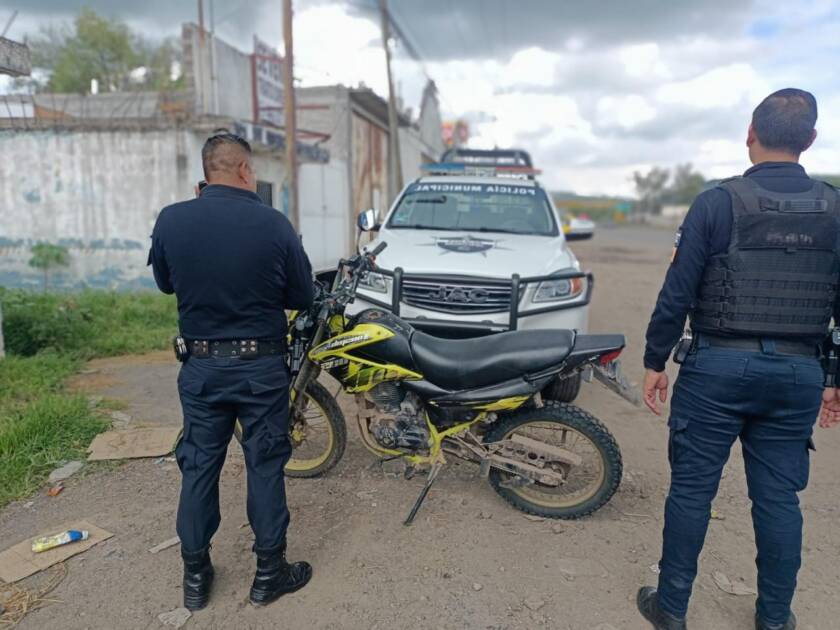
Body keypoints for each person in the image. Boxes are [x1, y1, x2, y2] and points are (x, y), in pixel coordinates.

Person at [637, 88, 840, 630]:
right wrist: (833, 376)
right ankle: (775, 619)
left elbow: (677, 290)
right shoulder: (836, 209)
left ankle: (672, 609)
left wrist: (655, 360)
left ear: (750, 134)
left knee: (691, 491)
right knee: (778, 501)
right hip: (798, 372)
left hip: (716, 370)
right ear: (811, 140)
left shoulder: (716, 202)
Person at [148, 131, 315, 611]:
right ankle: (269, 574)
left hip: (200, 367)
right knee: (265, 464)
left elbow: (165, 283)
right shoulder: (274, 224)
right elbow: (302, 298)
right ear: (244, 169)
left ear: (207, 172)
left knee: (199, 465)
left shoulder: (172, 220)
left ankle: (195, 580)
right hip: (261, 369)